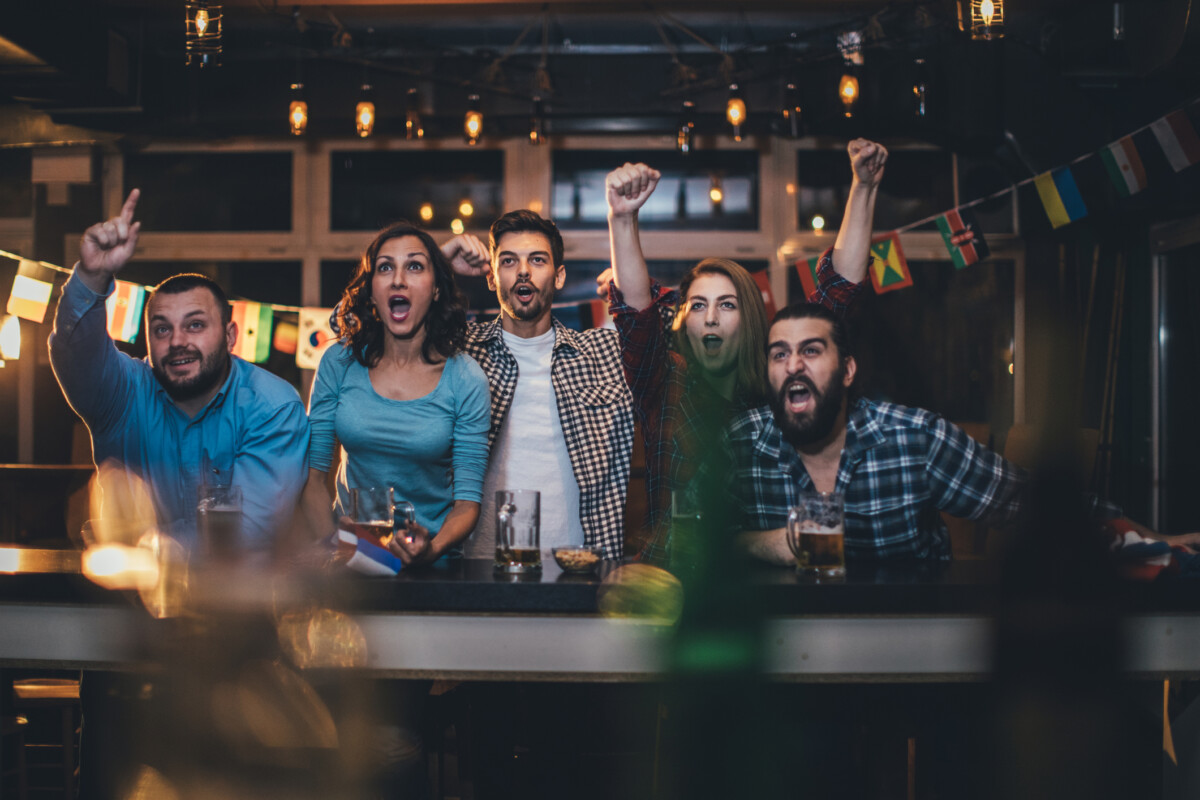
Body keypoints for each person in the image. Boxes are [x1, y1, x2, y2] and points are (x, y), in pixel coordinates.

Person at [599, 139, 888, 560]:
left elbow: (835, 300)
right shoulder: (664, 384)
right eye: (698, 305)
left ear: (749, 317)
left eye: (727, 304)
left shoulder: (778, 385)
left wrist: (862, 188)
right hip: (676, 582)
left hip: (771, 581)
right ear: (684, 319)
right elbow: (638, 317)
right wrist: (622, 219)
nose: (711, 317)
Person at [49, 189, 310, 551]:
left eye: (195, 325)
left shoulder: (272, 405)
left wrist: (141, 548)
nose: (176, 341)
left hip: (244, 602)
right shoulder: (122, 395)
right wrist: (93, 276)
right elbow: (74, 354)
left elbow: (251, 532)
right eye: (161, 328)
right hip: (130, 602)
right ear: (148, 340)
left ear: (231, 335)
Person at [439, 210, 634, 560]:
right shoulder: (458, 350)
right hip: (474, 567)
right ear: (491, 277)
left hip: (580, 571)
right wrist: (438, 265)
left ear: (559, 276)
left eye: (538, 260)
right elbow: (363, 333)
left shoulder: (601, 352)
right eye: (509, 261)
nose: (524, 271)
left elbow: (661, 333)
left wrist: (629, 292)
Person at [303, 221, 491, 565]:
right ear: (372, 290)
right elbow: (311, 479)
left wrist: (430, 551)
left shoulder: (465, 378)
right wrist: (333, 547)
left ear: (436, 291)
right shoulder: (339, 362)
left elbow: (467, 505)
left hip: (433, 568)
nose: (398, 279)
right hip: (348, 563)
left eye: (415, 267)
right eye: (385, 267)